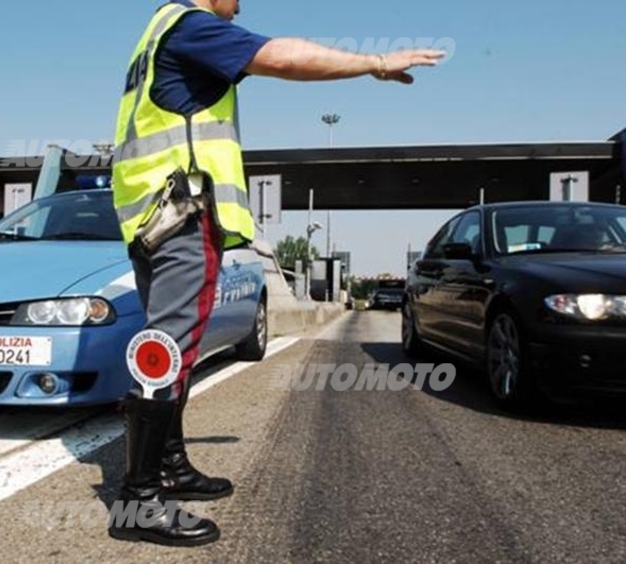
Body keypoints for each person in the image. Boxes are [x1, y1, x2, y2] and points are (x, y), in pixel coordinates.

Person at [108, 0, 444, 547]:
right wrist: (375, 62)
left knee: (174, 350)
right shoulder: (192, 26)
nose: (242, 5)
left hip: (152, 219)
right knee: (164, 353)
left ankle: (169, 466)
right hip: (182, 216)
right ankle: (139, 501)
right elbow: (282, 57)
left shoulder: (156, 33)